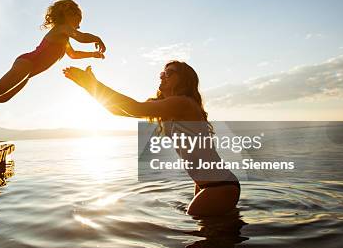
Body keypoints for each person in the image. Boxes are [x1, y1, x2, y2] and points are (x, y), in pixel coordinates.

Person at [63, 61, 240, 216]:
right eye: (162, 73)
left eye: (170, 73)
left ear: (184, 80)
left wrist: (93, 83)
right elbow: (116, 110)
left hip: (219, 186)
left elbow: (134, 107)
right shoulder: (168, 107)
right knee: (211, 239)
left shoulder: (182, 103)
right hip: (208, 185)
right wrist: (88, 87)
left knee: (206, 240)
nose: (163, 76)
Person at [0, 0, 106, 138]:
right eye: (78, 21)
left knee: (1, 97)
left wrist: (93, 54)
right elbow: (82, 37)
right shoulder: (62, 28)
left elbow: (73, 54)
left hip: (28, 71)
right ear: (70, 15)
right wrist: (97, 38)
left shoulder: (64, 37)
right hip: (27, 63)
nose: (78, 26)